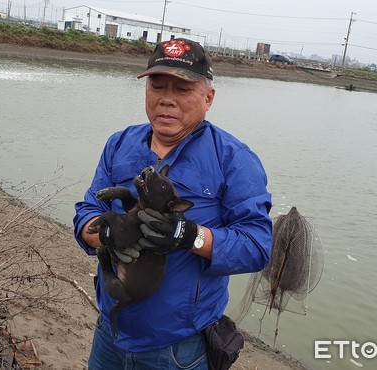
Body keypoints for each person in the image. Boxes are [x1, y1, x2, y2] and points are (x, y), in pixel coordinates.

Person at [73, 38, 273, 370]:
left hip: (179, 349)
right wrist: (105, 235)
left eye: (182, 89)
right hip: (110, 333)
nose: (167, 99)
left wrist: (189, 235)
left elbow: (257, 245)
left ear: (208, 98)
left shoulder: (234, 160)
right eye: (157, 85)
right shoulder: (119, 144)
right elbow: (87, 211)